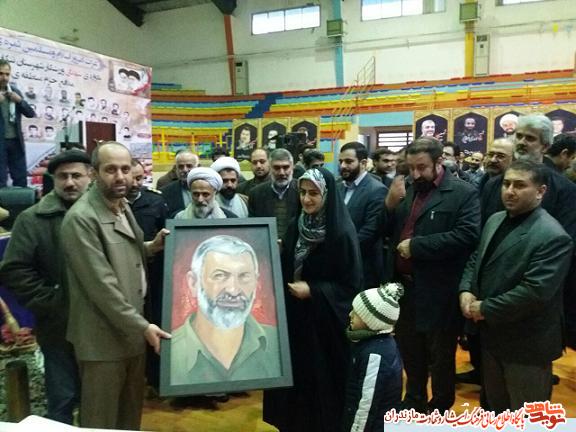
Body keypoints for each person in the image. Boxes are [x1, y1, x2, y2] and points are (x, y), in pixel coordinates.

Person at [60, 142, 171, 430]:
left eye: (125, 168)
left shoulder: (121, 206)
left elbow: (123, 252)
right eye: (111, 170)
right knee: (102, 420)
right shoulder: (81, 218)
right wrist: (143, 326)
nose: (120, 176)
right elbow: (102, 286)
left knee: (129, 417)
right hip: (103, 341)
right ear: (94, 173)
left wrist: (151, 247)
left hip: (132, 333)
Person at [459, 160, 573, 412]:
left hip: (527, 344)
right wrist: (466, 289)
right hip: (492, 336)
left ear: (540, 191)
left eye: (520, 185)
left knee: (526, 416)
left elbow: (535, 292)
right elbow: (477, 258)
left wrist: (484, 308)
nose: (510, 191)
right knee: (496, 410)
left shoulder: (553, 236)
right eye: (507, 184)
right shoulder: (496, 219)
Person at [381, 137, 480, 413]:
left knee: (440, 356)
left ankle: (439, 408)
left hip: (439, 290)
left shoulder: (463, 192)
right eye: (411, 168)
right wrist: (389, 205)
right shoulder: (407, 189)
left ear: (439, 162)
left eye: (421, 167)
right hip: (404, 289)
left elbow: (468, 235)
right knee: (410, 351)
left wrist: (417, 247)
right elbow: (386, 231)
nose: (415, 174)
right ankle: (414, 400)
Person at [264, 167, 363, 432]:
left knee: (320, 388)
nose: (306, 199)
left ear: (327, 196)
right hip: (295, 320)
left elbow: (351, 286)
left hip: (324, 328)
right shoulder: (296, 225)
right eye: (303, 192)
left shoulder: (341, 233)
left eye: (314, 193)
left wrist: (314, 290)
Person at [0, 149, 91, 424]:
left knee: (97, 399)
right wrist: (52, 302)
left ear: (90, 177)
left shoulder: (104, 213)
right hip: (57, 328)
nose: (70, 182)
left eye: (76, 175)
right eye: (63, 176)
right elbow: (15, 270)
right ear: (53, 180)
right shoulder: (32, 219)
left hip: (100, 327)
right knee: (62, 398)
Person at [481, 114, 576, 349]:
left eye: (530, 138)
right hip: (490, 288)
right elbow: (481, 237)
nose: (522, 142)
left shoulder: (564, 189)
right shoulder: (494, 184)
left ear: (545, 145)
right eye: (519, 136)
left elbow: (564, 246)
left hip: (532, 291)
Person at [170, 235, 280, 385]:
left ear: (256, 283)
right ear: (193, 283)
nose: (233, 290)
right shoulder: (171, 353)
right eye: (220, 275)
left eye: (244, 276)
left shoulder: (277, 344)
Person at [342, 283, 404, 432]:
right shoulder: (372, 343)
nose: (350, 314)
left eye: (357, 313)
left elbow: (366, 406)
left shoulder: (375, 355)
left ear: (371, 321)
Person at [338, 141, 387, 289]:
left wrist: (340, 250)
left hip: (364, 267)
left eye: (349, 161)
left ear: (363, 163)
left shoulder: (377, 190)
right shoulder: (338, 187)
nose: (343, 166)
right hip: (340, 267)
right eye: (341, 161)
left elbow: (370, 231)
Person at [248, 148, 300, 240]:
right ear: (270, 168)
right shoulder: (256, 194)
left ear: (292, 167)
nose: (281, 173)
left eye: (285, 167)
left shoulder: (302, 191)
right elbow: (253, 229)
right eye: (276, 168)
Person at [0, 59, 36, 187]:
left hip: (16, 141)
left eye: (7, 74)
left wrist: (20, 101)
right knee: (0, 180)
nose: (4, 77)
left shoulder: (14, 91)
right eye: (1, 74)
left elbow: (30, 113)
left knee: (21, 179)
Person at [159, 150, 199, 217]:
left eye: (189, 166)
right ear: (176, 169)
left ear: (197, 167)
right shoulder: (165, 192)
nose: (185, 170)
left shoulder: (209, 188)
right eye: (181, 167)